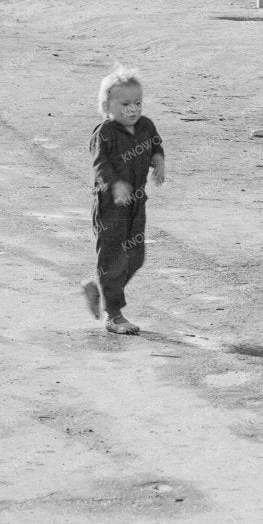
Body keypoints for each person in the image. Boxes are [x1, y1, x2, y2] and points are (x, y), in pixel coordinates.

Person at [81, 66, 165, 335]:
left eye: (137, 103)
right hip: (110, 207)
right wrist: (115, 184)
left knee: (136, 257)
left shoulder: (146, 126)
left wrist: (159, 161)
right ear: (107, 106)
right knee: (113, 259)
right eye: (125, 104)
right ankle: (114, 315)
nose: (133, 110)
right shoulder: (104, 132)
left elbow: (155, 145)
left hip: (137, 203)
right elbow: (99, 165)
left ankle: (99, 290)